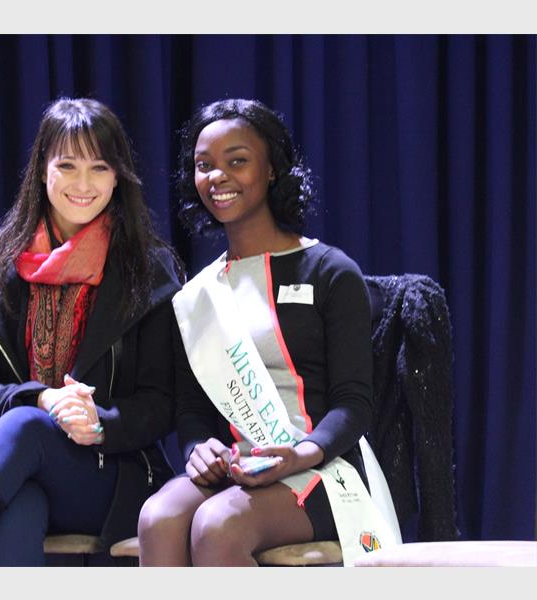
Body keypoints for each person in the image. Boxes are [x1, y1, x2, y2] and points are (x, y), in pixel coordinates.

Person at [0, 97, 183, 566]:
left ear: (117, 176)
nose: (83, 184)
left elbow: (163, 402)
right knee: (21, 503)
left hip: (112, 472)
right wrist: (42, 399)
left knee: (27, 427)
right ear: (42, 169)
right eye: (67, 165)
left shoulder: (148, 273)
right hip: (15, 470)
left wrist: (99, 422)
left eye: (99, 168)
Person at [137, 98, 398, 566]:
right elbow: (192, 410)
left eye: (237, 161)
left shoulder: (331, 271)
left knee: (218, 524)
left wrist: (300, 454)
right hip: (239, 467)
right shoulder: (198, 297)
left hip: (321, 465)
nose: (217, 177)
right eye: (204, 165)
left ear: (272, 168)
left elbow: (354, 404)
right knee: (159, 517)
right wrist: (198, 449)